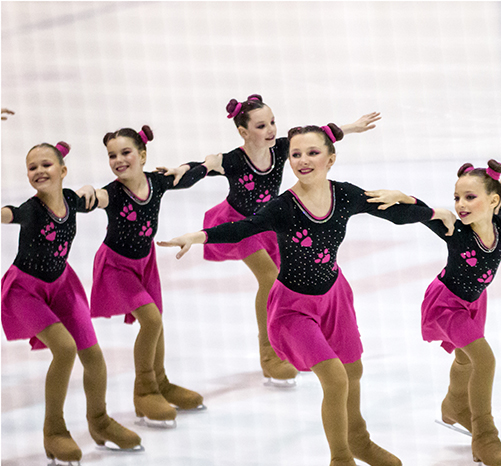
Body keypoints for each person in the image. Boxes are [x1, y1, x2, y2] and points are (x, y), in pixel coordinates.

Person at [158, 124, 455, 466]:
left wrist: (432, 210)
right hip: (292, 308)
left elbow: (395, 212)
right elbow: (244, 227)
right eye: (296, 154)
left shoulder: (345, 195)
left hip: (334, 297)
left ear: (330, 159)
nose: (303, 160)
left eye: (313, 153)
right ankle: (341, 464)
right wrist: (198, 236)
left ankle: (359, 439)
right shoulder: (283, 206)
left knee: (353, 371)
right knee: (333, 377)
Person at [161, 95, 381, 387]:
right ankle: (269, 356)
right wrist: (182, 170)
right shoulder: (234, 160)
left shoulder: (282, 150)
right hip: (240, 224)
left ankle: (299, 344)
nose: (271, 130)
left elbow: (325, 136)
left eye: (273, 122)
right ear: (243, 132)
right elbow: (201, 168)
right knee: (269, 277)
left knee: (288, 283)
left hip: (272, 222)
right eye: (262, 125)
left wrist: (353, 127)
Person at [367, 160, 501, 466]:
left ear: (492, 200)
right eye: (457, 198)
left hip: (476, 301)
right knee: (483, 360)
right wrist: (404, 198)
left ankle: (454, 406)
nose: (461, 205)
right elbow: (415, 213)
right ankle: (485, 436)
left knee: (465, 359)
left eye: (470, 197)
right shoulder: (454, 229)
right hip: (446, 304)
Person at [1, 141, 142, 466]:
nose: (39, 171)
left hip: (63, 285)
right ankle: (54, 431)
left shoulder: (72, 201)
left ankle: (100, 421)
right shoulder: (32, 209)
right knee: (64, 349)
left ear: (63, 171)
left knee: (93, 356)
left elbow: (99, 197)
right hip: (26, 289)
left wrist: (95, 190)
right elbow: (9, 213)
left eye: (46, 165)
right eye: (33, 167)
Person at [82, 126, 212, 428]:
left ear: (142, 155)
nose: (118, 160)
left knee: (157, 322)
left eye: (125, 152)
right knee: (151, 321)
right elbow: (88, 200)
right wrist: (84, 192)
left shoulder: (156, 182)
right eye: (112, 155)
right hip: (116, 266)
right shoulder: (112, 193)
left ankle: (162, 382)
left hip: (145, 262)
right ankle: (144, 390)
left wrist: (197, 166)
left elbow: (189, 177)